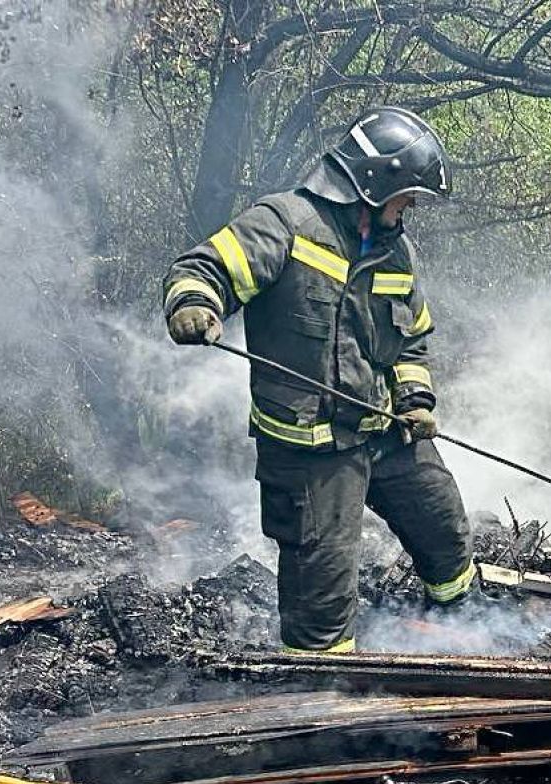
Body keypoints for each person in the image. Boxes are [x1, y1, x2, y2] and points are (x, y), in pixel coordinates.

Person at [163, 106, 474, 653]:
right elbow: (202, 269)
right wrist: (194, 305)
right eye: (408, 199)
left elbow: (410, 341)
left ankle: (464, 631)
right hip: (312, 452)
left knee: (445, 529)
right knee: (323, 605)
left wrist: (415, 397)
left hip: (383, 430)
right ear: (374, 187)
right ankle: (320, 702)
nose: (409, 212)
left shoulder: (396, 253)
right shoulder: (283, 223)